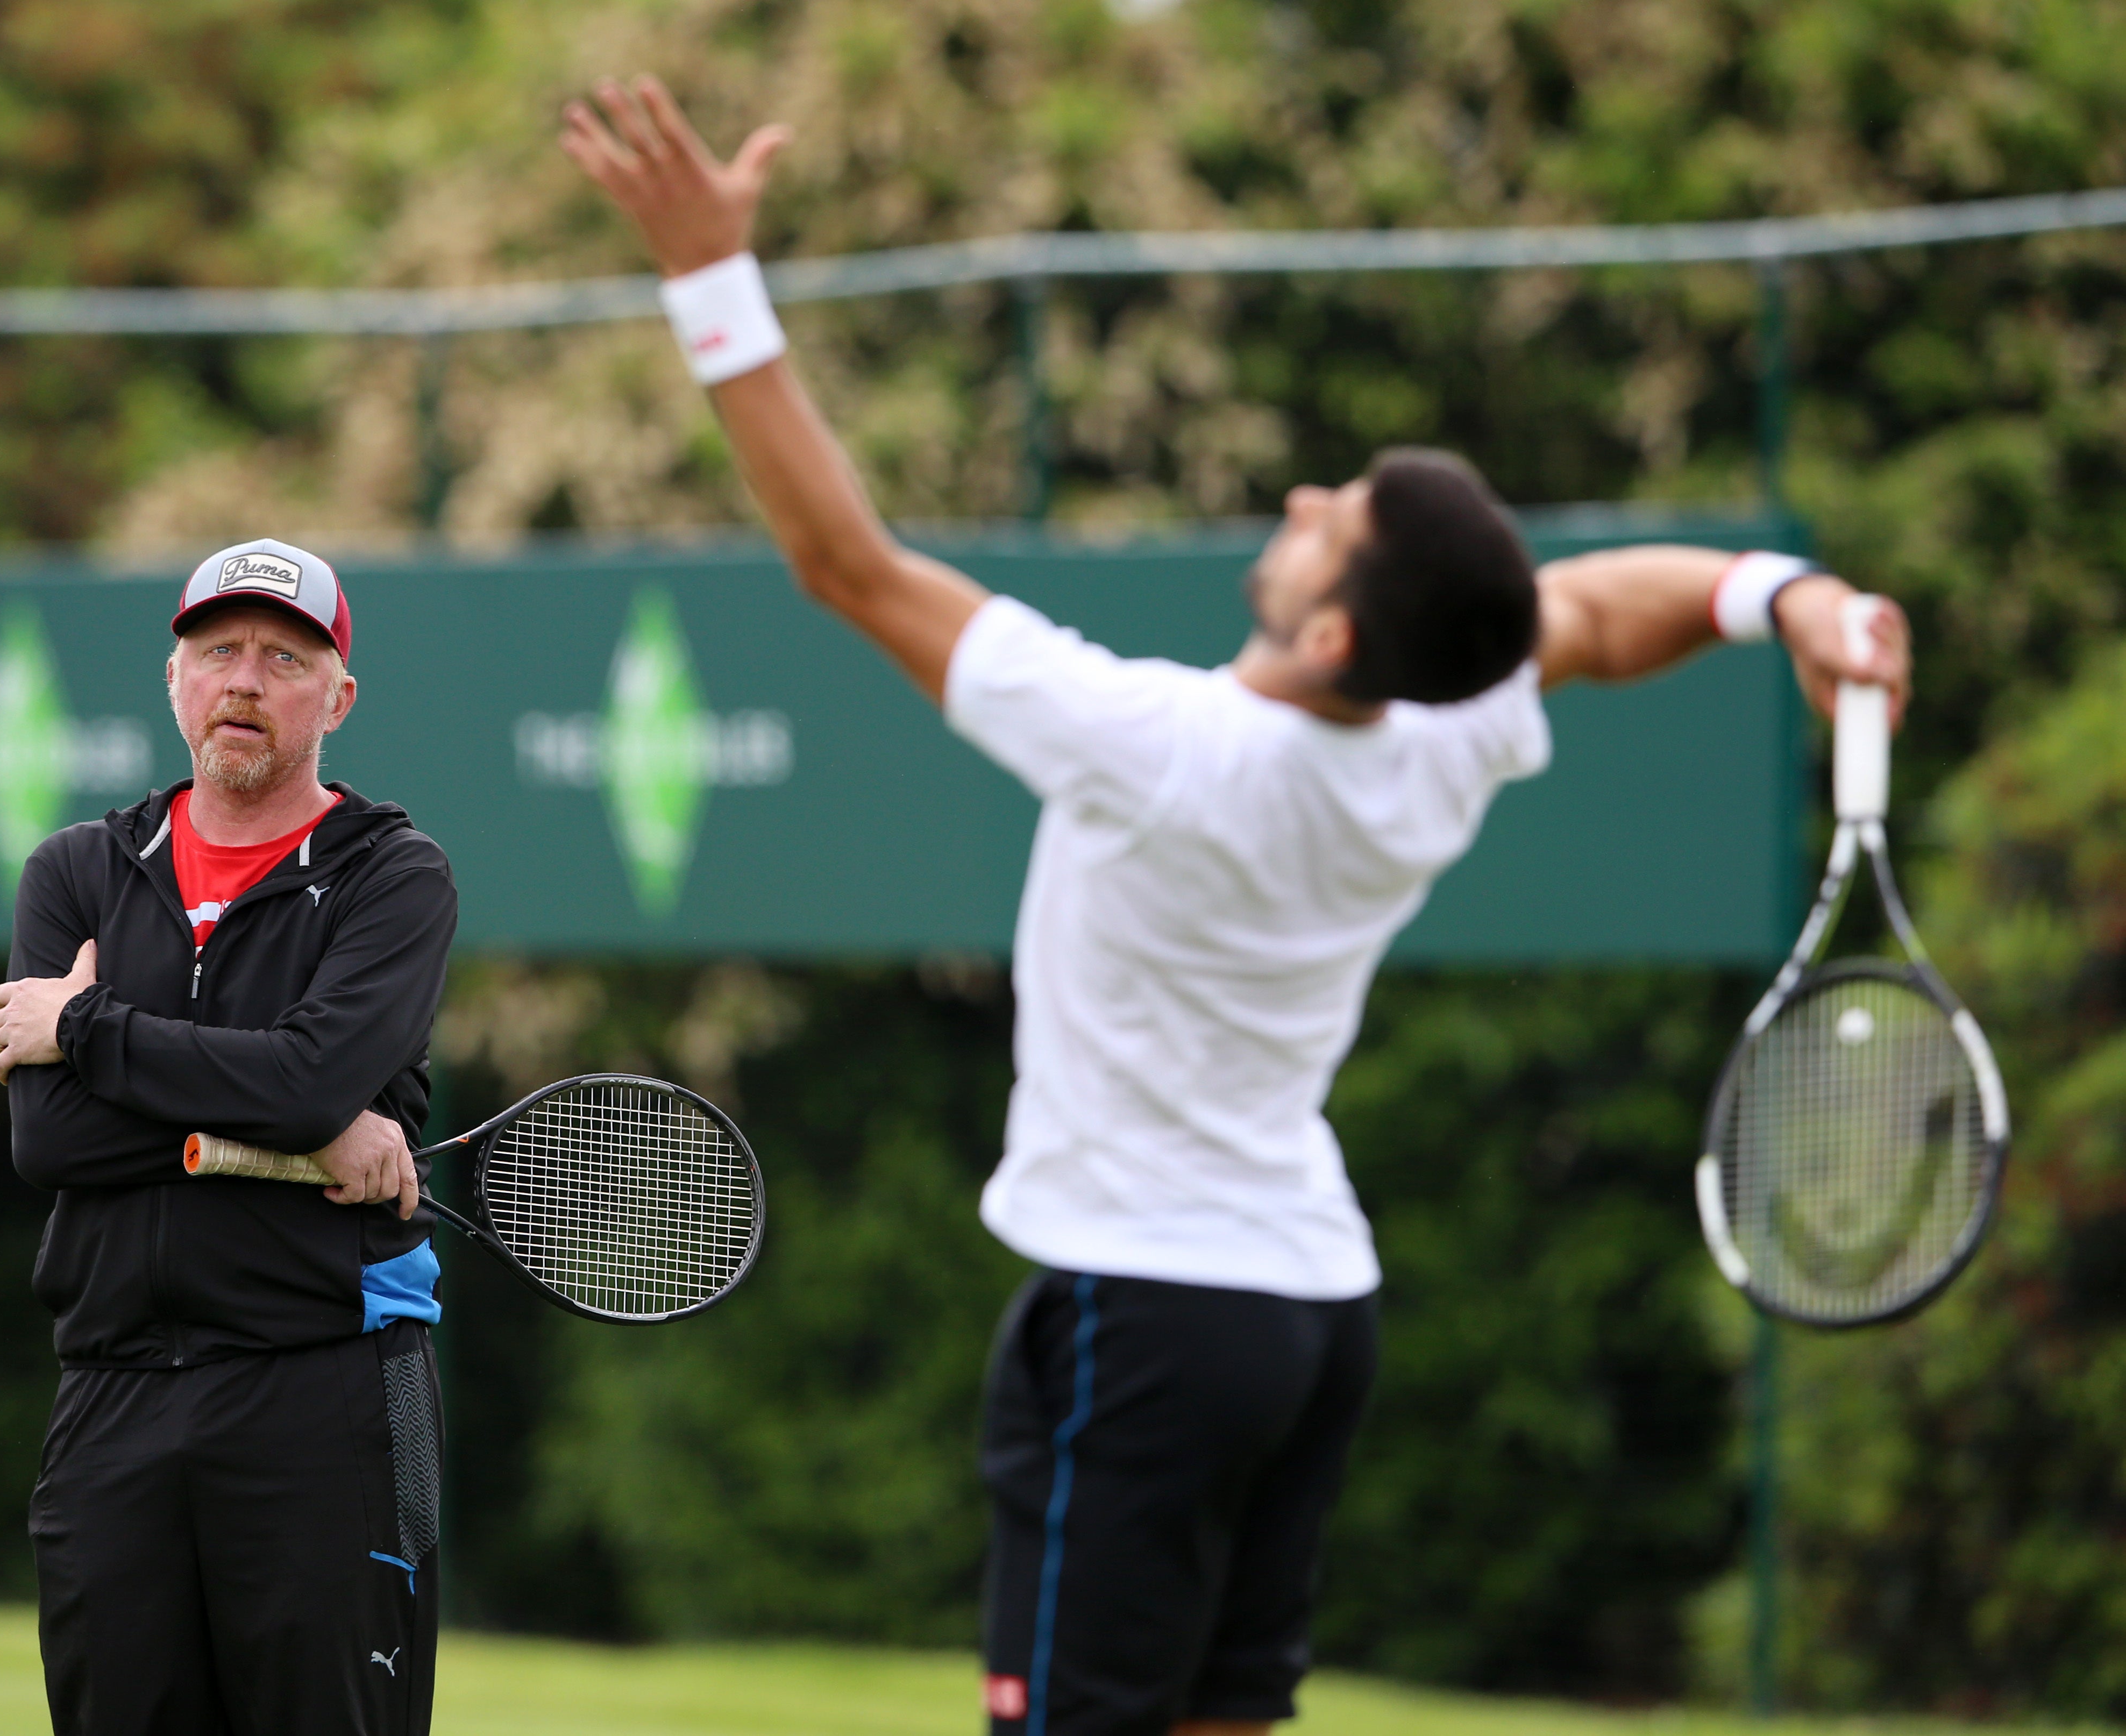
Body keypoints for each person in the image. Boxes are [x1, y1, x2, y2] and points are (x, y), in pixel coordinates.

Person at [560, 81, 1912, 1736]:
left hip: (1143, 1316)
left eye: (1324, 523)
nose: (1293, 509)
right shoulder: (1440, 737)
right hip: (1303, 1317)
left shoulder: (1158, 747)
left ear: (1340, 629)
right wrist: (1789, 595)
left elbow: (844, 561)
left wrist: (708, 275)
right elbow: (1590, 614)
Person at [0, 538, 458, 1736]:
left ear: (337, 698)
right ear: (174, 679)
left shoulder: (393, 877)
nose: (244, 681)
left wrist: (85, 1025)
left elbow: (307, 1081)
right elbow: (50, 1141)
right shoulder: (76, 874)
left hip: (326, 1391)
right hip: (112, 1395)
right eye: (219, 653)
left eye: (284, 660)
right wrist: (291, 1124)